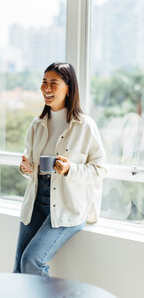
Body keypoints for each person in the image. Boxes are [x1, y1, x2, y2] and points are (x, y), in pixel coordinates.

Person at [13, 62, 107, 276]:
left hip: (68, 205)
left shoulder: (85, 126)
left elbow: (100, 169)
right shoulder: (37, 124)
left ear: (68, 88)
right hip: (36, 201)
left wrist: (70, 169)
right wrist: (26, 167)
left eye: (53, 83)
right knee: (18, 268)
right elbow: (30, 163)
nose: (46, 88)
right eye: (44, 82)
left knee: (31, 261)